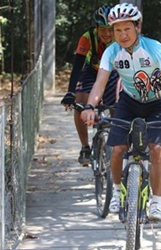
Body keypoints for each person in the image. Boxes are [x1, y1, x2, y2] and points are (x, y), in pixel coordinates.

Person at [81, 3, 161, 221]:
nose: (122, 35)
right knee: (118, 149)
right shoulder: (111, 52)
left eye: (127, 29)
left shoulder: (155, 49)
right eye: (117, 30)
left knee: (157, 150)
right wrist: (90, 107)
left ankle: (157, 204)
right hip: (129, 102)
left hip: (159, 103)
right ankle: (115, 192)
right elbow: (100, 84)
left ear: (138, 27)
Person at [61, 5, 119, 166]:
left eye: (110, 29)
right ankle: (85, 147)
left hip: (113, 72)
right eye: (103, 30)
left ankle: (118, 140)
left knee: (118, 105)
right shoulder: (87, 38)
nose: (107, 34)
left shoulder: (121, 38)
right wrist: (70, 93)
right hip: (91, 71)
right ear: (96, 27)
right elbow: (77, 66)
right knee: (80, 103)